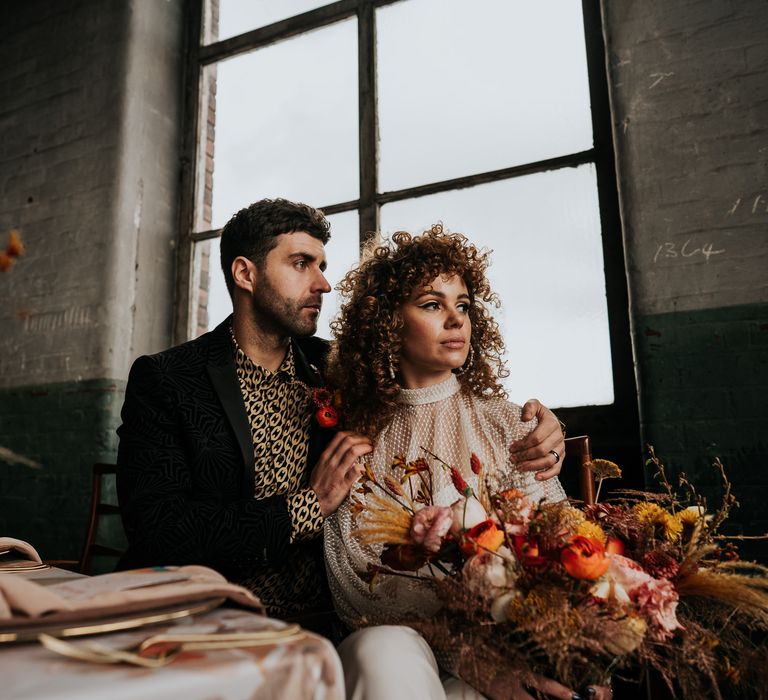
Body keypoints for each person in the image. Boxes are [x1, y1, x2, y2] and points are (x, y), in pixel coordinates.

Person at [116, 198, 565, 626]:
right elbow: (157, 529)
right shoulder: (168, 379)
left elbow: (434, 388)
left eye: (323, 267)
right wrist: (308, 506)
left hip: (325, 617)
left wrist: (542, 424)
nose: (323, 283)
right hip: (202, 611)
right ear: (245, 274)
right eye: (301, 264)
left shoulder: (340, 370)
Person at [324, 225, 604, 700]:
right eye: (433, 304)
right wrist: (465, 655)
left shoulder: (511, 426)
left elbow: (569, 548)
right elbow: (356, 590)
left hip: (515, 648)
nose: (456, 319)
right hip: (408, 653)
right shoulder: (357, 441)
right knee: (380, 649)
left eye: (464, 305)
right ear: (389, 322)